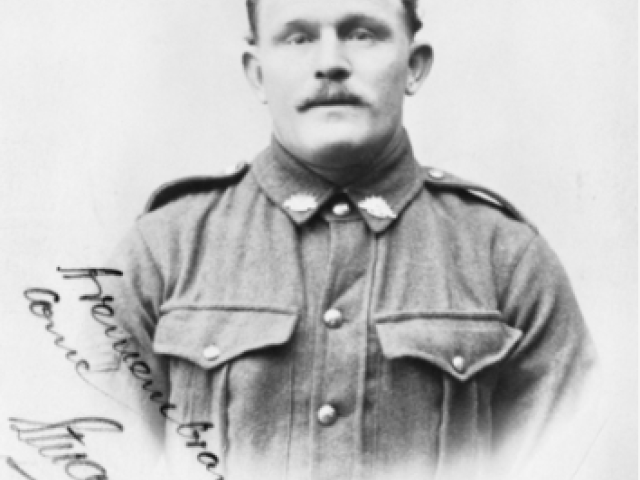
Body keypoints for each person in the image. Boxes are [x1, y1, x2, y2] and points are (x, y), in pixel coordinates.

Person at [83, 0, 596, 479]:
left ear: (414, 65)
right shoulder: (161, 251)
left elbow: (576, 460)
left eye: (362, 33)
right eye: (297, 38)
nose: (331, 62)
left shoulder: (505, 257)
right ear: (257, 73)